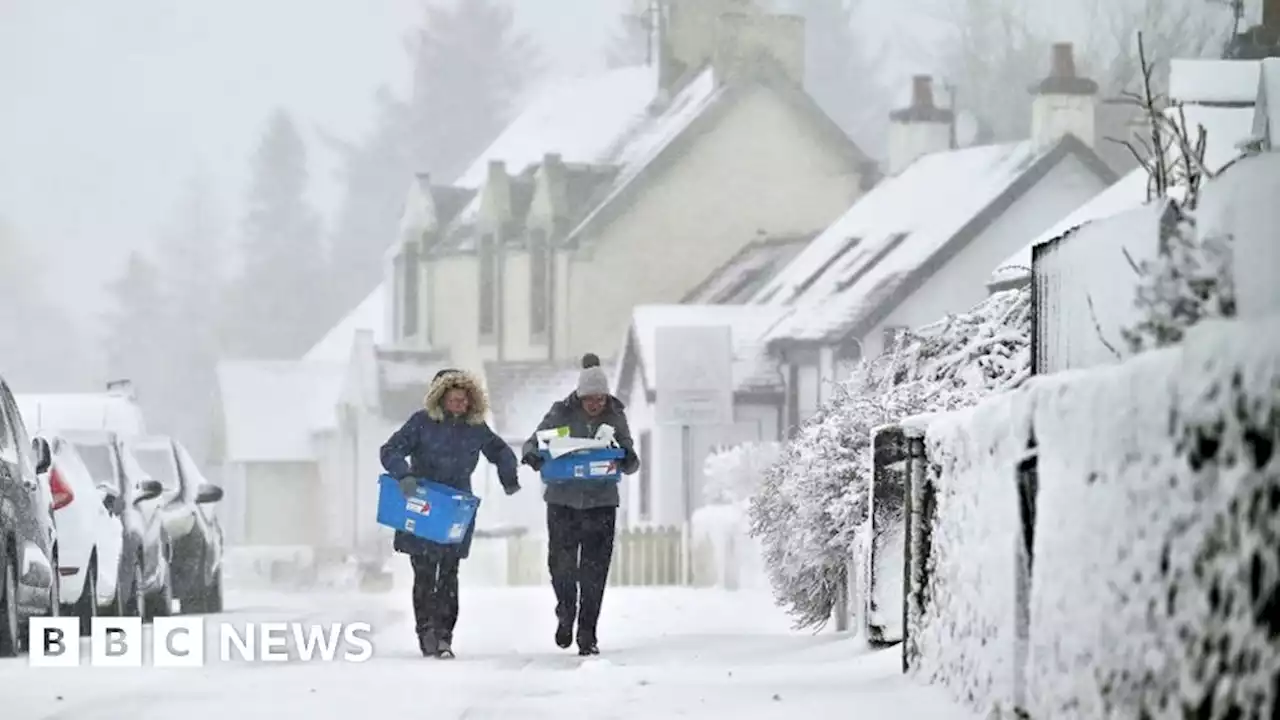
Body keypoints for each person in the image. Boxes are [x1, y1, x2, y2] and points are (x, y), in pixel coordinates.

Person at [380, 367, 520, 659]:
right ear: (440, 399)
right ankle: (426, 631)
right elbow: (390, 449)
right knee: (424, 574)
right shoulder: (421, 423)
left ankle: (445, 636)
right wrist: (403, 475)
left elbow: (501, 452)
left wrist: (509, 478)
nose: (459, 405)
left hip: (456, 508)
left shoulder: (475, 428)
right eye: (453, 399)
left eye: (463, 400)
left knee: (449, 574)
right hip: (422, 504)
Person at [520, 353, 640, 656]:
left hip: (601, 504)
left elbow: (629, 456)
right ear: (579, 396)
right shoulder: (561, 413)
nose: (595, 404)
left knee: (594, 573)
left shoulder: (615, 415)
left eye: (600, 399)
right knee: (561, 568)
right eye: (590, 399)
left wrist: (626, 458)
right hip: (563, 502)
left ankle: (588, 633)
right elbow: (534, 441)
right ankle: (565, 611)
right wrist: (533, 454)